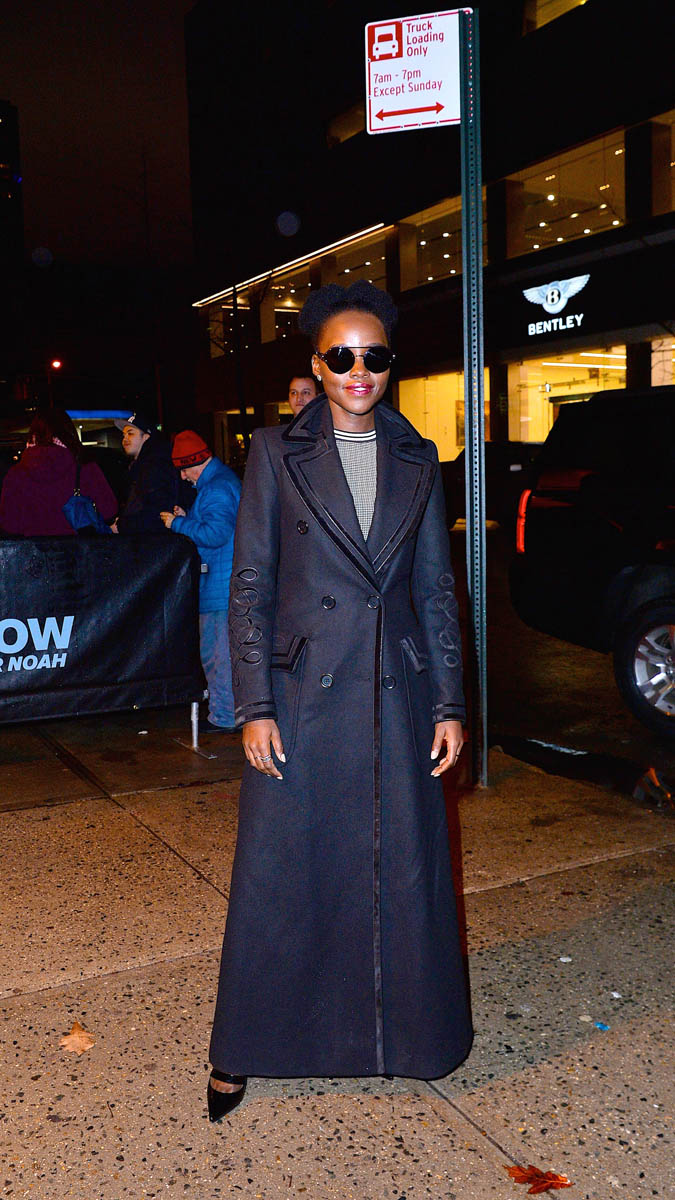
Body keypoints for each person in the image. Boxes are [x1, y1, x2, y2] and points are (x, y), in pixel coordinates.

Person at [207, 280, 472, 1121]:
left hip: (396, 695)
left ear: (390, 365)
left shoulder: (418, 457)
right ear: (317, 367)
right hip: (302, 697)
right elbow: (251, 585)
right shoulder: (274, 451)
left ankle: (405, 1040)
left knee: (401, 871)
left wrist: (449, 702)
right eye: (342, 356)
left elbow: (435, 589)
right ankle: (244, 1047)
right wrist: (253, 704)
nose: (360, 370)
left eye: (374, 356)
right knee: (281, 876)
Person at [160, 431, 241, 732]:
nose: (183, 477)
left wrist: (178, 523)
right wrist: (189, 517)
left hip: (220, 585)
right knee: (225, 654)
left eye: (184, 469)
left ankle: (225, 717)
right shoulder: (221, 483)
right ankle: (230, 713)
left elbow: (216, 534)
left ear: (195, 463)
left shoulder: (216, 488)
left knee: (216, 655)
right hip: (226, 581)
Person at [0, 407, 117, 536]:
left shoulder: (16, 473)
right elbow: (109, 510)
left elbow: (9, 524)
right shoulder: (85, 467)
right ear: (69, 432)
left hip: (31, 547)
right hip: (80, 546)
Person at [112, 411, 178, 533]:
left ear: (146, 437)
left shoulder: (156, 467)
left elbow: (156, 511)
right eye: (124, 434)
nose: (125, 438)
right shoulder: (139, 467)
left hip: (153, 540)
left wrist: (123, 525)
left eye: (130, 433)